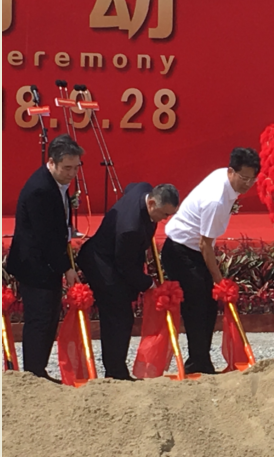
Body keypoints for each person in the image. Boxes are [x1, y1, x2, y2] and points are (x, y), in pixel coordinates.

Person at [161, 148, 260, 374]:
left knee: (208, 305)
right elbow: (205, 245)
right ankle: (197, 363)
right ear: (231, 171)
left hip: (194, 249)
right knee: (197, 306)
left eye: (252, 179)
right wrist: (219, 281)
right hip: (181, 250)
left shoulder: (224, 179)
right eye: (243, 178)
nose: (247, 184)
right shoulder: (216, 200)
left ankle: (201, 360)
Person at [77, 183, 179, 380]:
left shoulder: (143, 190)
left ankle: (115, 369)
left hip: (115, 257)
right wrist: (149, 285)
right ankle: (115, 372)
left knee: (121, 314)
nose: (165, 219)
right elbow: (126, 265)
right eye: (164, 214)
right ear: (151, 203)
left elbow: (132, 187)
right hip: (103, 265)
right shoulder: (130, 228)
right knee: (119, 317)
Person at [6, 135, 84, 381]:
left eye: (76, 167)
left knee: (49, 318)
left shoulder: (57, 183)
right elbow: (45, 238)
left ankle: (38, 370)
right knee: (40, 320)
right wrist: (66, 268)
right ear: (51, 162)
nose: (72, 173)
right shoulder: (40, 189)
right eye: (67, 168)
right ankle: (33, 374)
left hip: (46, 263)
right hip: (35, 266)